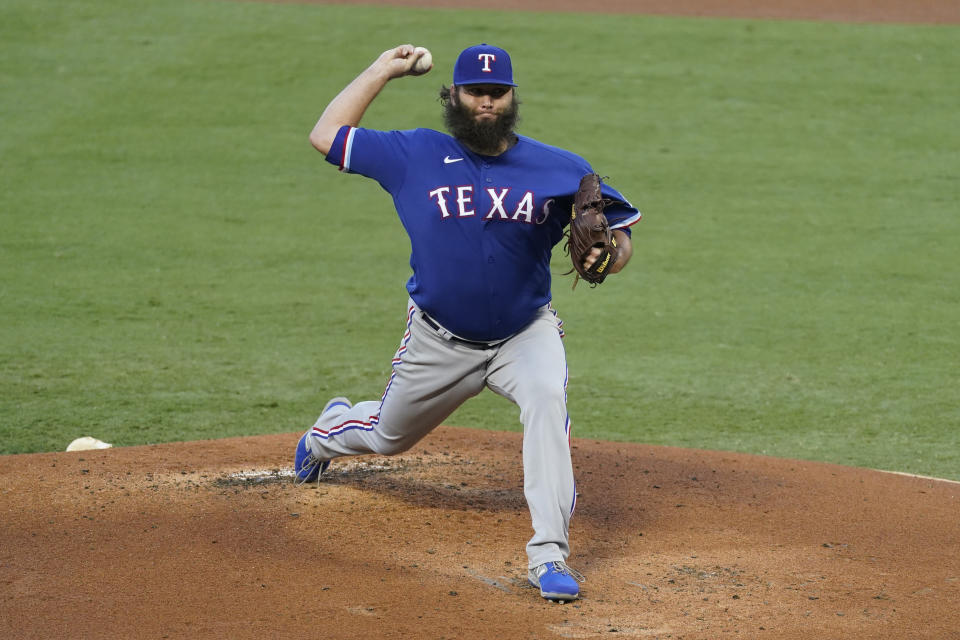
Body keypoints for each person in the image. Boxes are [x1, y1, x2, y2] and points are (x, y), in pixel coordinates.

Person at [296, 43, 641, 602]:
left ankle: (548, 555)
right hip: (439, 339)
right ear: (453, 96)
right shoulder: (412, 153)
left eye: (496, 93)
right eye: (475, 93)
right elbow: (326, 135)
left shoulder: (560, 167)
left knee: (547, 401)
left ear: (512, 98)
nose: (486, 103)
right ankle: (324, 435)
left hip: (524, 334)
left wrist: (611, 255)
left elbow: (618, 234)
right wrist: (382, 69)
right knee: (388, 437)